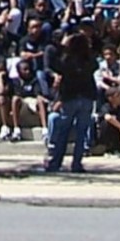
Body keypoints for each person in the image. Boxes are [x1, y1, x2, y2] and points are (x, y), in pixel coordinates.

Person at [45, 26, 99, 172]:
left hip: (70, 97)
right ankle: (77, 163)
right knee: (82, 133)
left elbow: (56, 65)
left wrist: (64, 45)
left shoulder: (66, 60)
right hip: (87, 97)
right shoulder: (89, 60)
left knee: (64, 131)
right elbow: (95, 64)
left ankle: (56, 162)